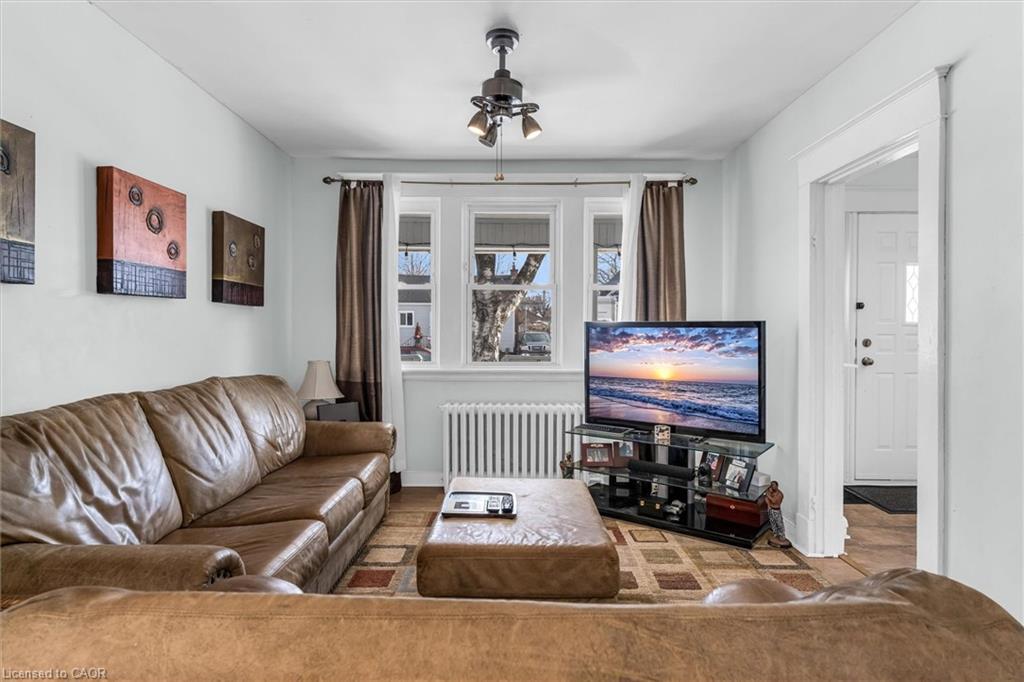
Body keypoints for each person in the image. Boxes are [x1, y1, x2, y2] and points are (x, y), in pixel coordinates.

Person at [765, 480, 792, 548]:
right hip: (771, 510)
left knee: (779, 523)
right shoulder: (771, 492)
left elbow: (774, 501)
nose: (772, 487)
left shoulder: (780, 494)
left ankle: (782, 536)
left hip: (776, 511)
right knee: (773, 522)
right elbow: (767, 499)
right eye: (771, 485)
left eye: (773, 485)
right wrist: (768, 500)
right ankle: (775, 534)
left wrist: (768, 495)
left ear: (777, 486)